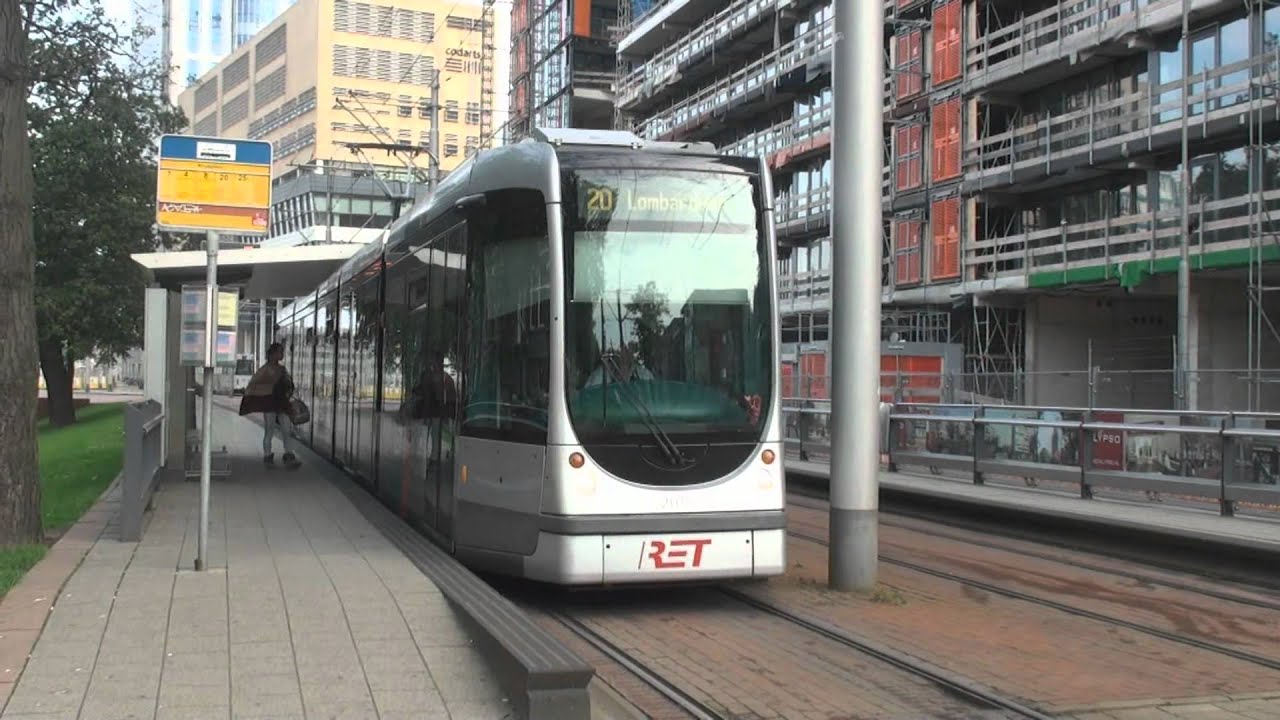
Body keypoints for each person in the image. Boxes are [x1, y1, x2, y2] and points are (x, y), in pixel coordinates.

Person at [238, 342, 301, 468]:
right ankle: (268, 455)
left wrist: (288, 390)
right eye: (280, 352)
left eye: (282, 352)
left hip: (282, 403)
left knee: (286, 430)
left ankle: (288, 454)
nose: (282, 354)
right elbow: (253, 385)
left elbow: (288, 384)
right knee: (269, 430)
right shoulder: (264, 370)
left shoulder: (282, 369)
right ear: (272, 354)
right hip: (269, 403)